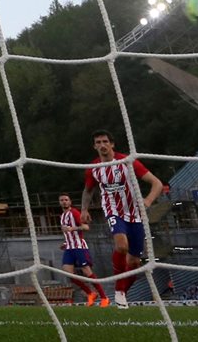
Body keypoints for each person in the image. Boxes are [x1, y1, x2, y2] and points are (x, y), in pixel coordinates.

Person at [81, 130, 163, 310]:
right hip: (113, 211)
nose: (102, 145)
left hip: (135, 214)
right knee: (121, 246)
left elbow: (157, 183)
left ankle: (123, 292)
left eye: (105, 141)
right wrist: (84, 209)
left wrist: (148, 200)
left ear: (112, 144)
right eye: (98, 142)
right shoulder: (93, 168)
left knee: (134, 262)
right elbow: (88, 190)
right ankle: (118, 290)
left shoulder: (128, 162)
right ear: (94, 146)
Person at [57, 193, 108, 307]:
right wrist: (65, 243)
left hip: (79, 246)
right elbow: (68, 233)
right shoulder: (62, 216)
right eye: (62, 200)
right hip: (69, 248)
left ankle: (104, 297)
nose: (64, 202)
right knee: (68, 273)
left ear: (70, 202)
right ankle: (91, 293)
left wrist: (73, 228)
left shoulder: (74, 213)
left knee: (87, 271)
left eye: (66, 199)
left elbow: (86, 227)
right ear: (59, 202)